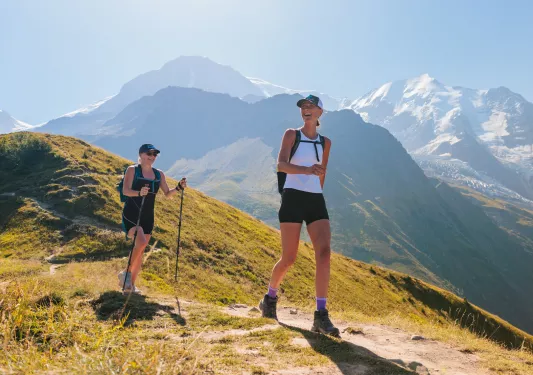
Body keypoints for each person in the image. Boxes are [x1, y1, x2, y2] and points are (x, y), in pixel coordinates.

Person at [259, 95, 339, 336]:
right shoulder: (291, 134)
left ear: (320, 113)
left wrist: (316, 188)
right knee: (289, 258)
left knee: (324, 252)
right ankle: (270, 297)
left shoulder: (326, 142)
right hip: (292, 197)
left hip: (315, 199)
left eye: (310, 107)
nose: (306, 110)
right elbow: (281, 164)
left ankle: (321, 315)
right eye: (303, 107)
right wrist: (306, 171)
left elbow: (322, 172)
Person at [118, 144, 187, 294]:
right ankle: (125, 273)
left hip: (148, 216)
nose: (152, 157)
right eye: (149, 153)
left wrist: (179, 188)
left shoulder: (158, 174)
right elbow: (126, 191)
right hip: (132, 213)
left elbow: (167, 194)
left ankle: (130, 287)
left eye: (155, 154)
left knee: (141, 250)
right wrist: (139, 193)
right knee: (141, 242)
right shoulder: (132, 170)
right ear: (141, 155)